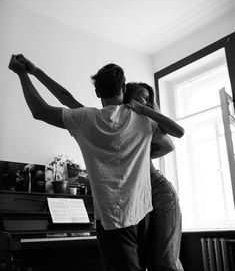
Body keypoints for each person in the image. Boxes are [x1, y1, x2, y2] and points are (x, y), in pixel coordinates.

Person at [13, 54, 185, 270]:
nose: (143, 102)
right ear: (124, 89)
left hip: (130, 209)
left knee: (155, 264)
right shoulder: (137, 120)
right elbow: (175, 137)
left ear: (97, 92)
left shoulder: (90, 119)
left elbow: (42, 110)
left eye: (147, 100)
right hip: (140, 210)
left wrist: (25, 73)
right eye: (141, 98)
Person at [124, 82, 184, 271]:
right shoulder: (120, 120)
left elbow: (176, 136)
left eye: (149, 99)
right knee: (147, 258)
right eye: (143, 96)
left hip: (159, 191)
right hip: (135, 194)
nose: (147, 101)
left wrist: (143, 108)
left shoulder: (146, 121)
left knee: (165, 260)